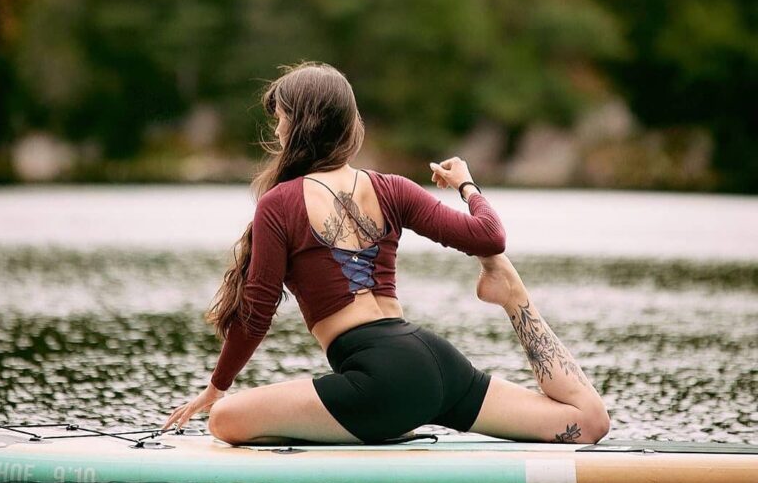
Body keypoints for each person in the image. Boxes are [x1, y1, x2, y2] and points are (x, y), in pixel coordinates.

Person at [163, 62, 610, 445]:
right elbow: (490, 237)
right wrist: (466, 184)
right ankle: (514, 297)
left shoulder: (279, 204)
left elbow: (256, 313)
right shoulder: (392, 188)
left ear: (298, 125)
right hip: (435, 362)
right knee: (588, 422)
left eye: (280, 118)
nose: (276, 129)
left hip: (379, 382)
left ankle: (378, 427)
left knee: (225, 421)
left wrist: (217, 388)